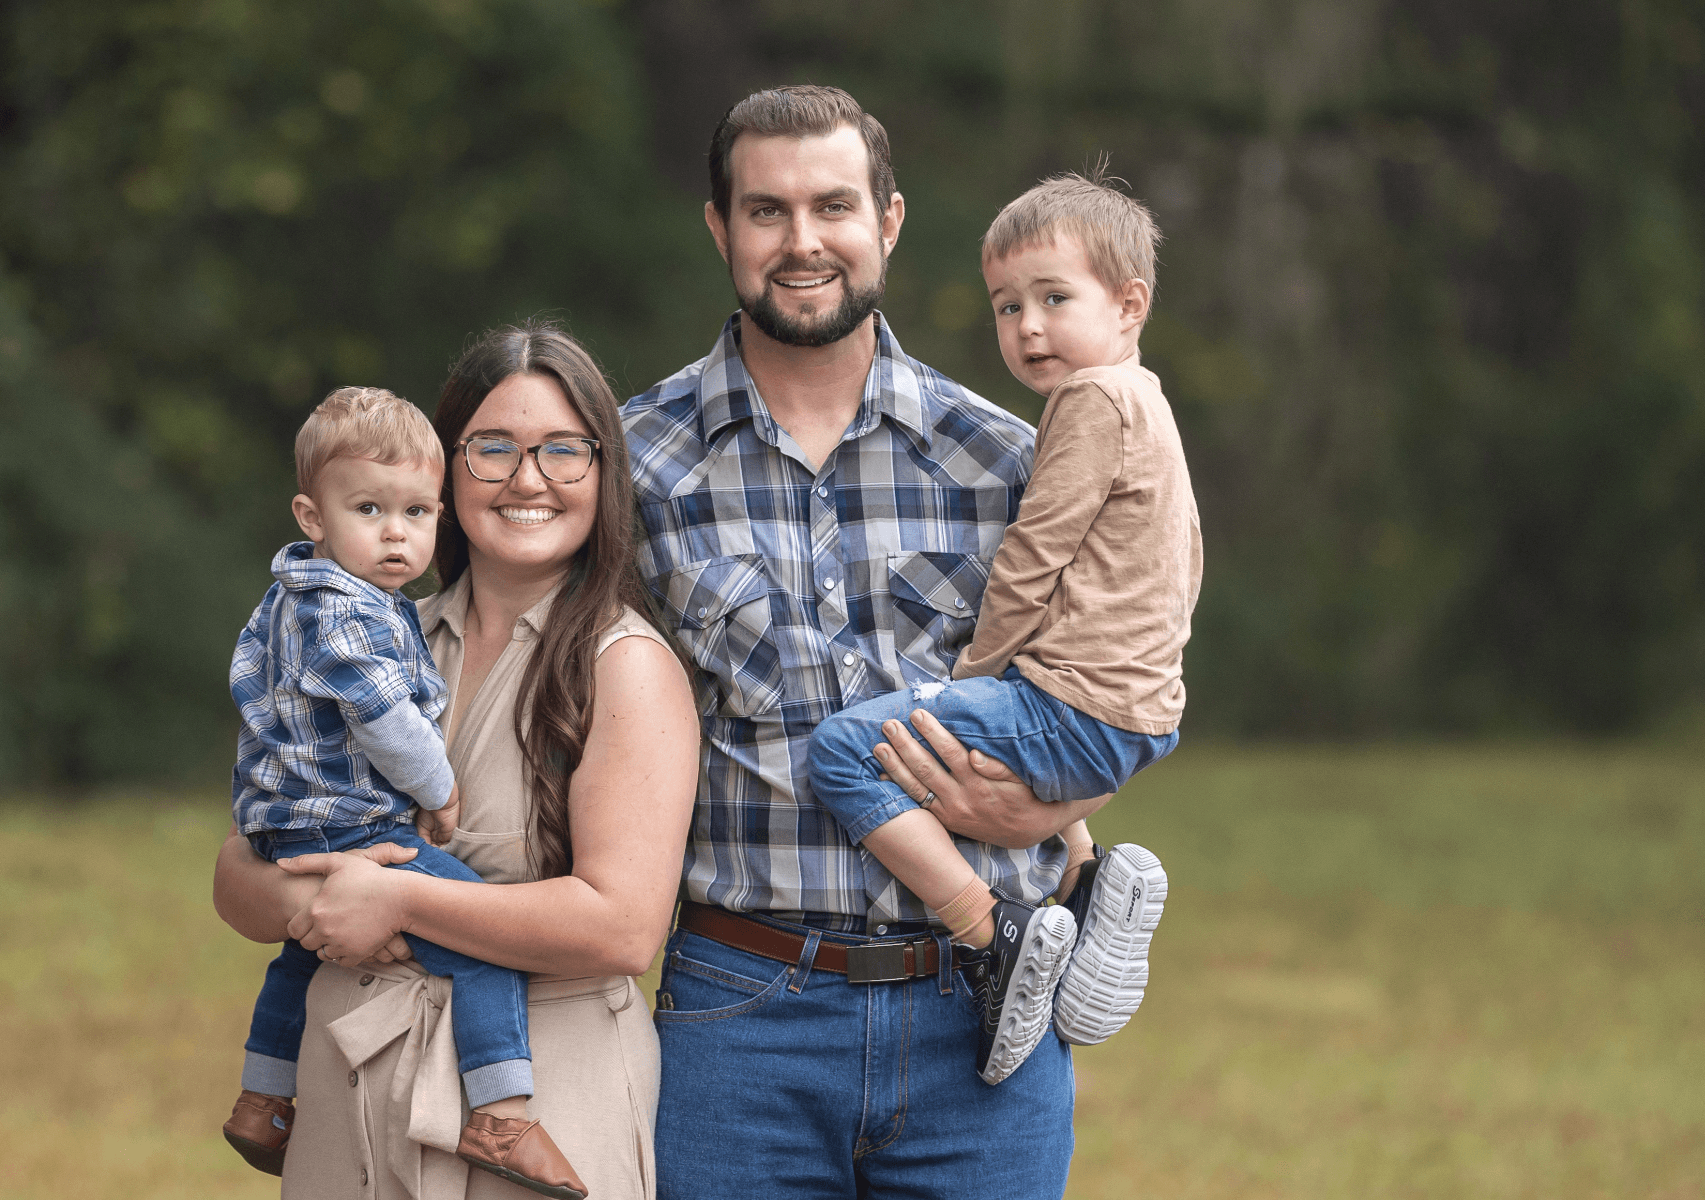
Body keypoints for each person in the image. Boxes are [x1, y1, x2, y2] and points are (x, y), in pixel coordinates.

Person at [622, 85, 1105, 1199]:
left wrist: (1049, 811)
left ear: (886, 221)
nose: (802, 242)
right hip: (737, 1017)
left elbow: (1101, 691)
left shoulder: (1008, 461)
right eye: (765, 212)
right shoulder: (633, 465)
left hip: (981, 1015)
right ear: (718, 228)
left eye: (832, 206)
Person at [213, 321, 697, 1200]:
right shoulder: (368, 637)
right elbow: (235, 879)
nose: (527, 479)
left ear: (603, 471)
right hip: (350, 1075)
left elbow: (623, 928)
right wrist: (314, 900)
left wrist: (394, 895)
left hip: (550, 1086)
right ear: (443, 474)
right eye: (492, 449)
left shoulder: (625, 666)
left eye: (563, 450)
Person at [806, 171, 1200, 1084]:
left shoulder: (1090, 402)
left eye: (1054, 298)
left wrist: (971, 677)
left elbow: (1033, 554)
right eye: (1007, 305)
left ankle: (995, 936)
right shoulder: (1150, 403)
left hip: (1070, 704)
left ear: (1129, 303)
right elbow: (1186, 554)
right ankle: (1089, 883)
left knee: (840, 752)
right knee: (1009, 733)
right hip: (1142, 710)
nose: (1026, 327)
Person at [219, 385, 586, 1197]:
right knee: (486, 946)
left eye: (417, 514)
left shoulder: (288, 601)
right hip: (350, 823)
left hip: (287, 824)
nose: (396, 533)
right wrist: (441, 789)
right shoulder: (346, 612)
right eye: (370, 510)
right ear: (312, 518)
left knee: (296, 958)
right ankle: (503, 1114)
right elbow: (387, 721)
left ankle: (261, 1098)